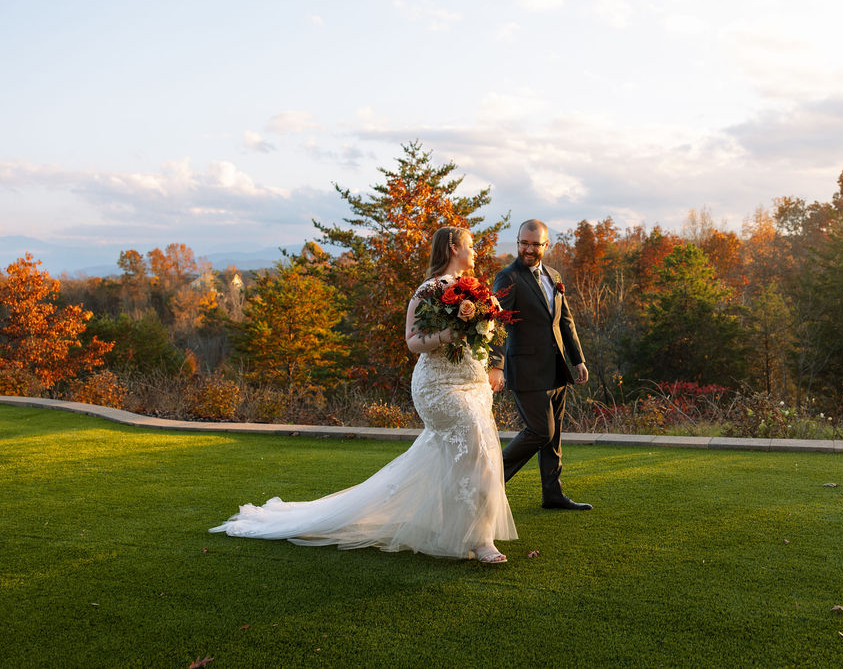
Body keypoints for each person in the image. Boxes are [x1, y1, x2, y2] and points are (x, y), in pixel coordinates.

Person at [210, 226, 516, 563]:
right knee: (475, 446)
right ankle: (479, 539)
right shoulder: (428, 291)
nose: (475, 252)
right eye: (470, 246)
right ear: (454, 248)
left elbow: (492, 335)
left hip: (473, 385)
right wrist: (446, 333)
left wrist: (492, 360)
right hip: (439, 388)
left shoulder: (479, 291)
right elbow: (413, 342)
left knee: (481, 455)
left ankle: (461, 530)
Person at [488, 219, 592, 510]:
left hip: (556, 369)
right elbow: (498, 325)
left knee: (554, 437)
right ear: (518, 241)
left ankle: (553, 494)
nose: (529, 249)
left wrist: (578, 360)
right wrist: (496, 365)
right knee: (540, 431)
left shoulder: (554, 275)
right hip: (525, 371)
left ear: (547, 245)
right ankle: (488, 482)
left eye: (535, 244)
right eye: (524, 243)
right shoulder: (507, 278)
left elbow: (565, 321)